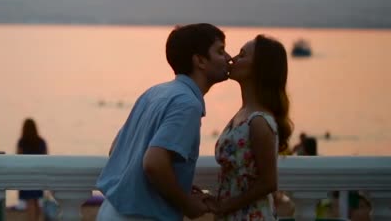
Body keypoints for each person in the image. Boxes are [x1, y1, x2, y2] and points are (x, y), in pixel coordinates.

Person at [96, 23, 232, 220]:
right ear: (200, 61)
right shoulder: (187, 104)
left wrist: (178, 185)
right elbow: (154, 163)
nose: (228, 58)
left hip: (111, 210)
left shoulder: (155, 92)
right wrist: (187, 205)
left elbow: (116, 147)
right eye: (220, 51)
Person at [212, 35, 294, 219]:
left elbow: (268, 182)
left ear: (258, 69)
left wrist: (225, 206)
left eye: (242, 55)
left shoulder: (259, 121)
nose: (232, 59)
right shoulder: (242, 114)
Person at [17, 118, 48, 221]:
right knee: (35, 200)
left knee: (30, 201)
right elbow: (45, 157)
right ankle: (37, 219)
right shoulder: (41, 141)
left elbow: (19, 157)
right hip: (38, 174)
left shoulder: (22, 142)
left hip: (26, 174)